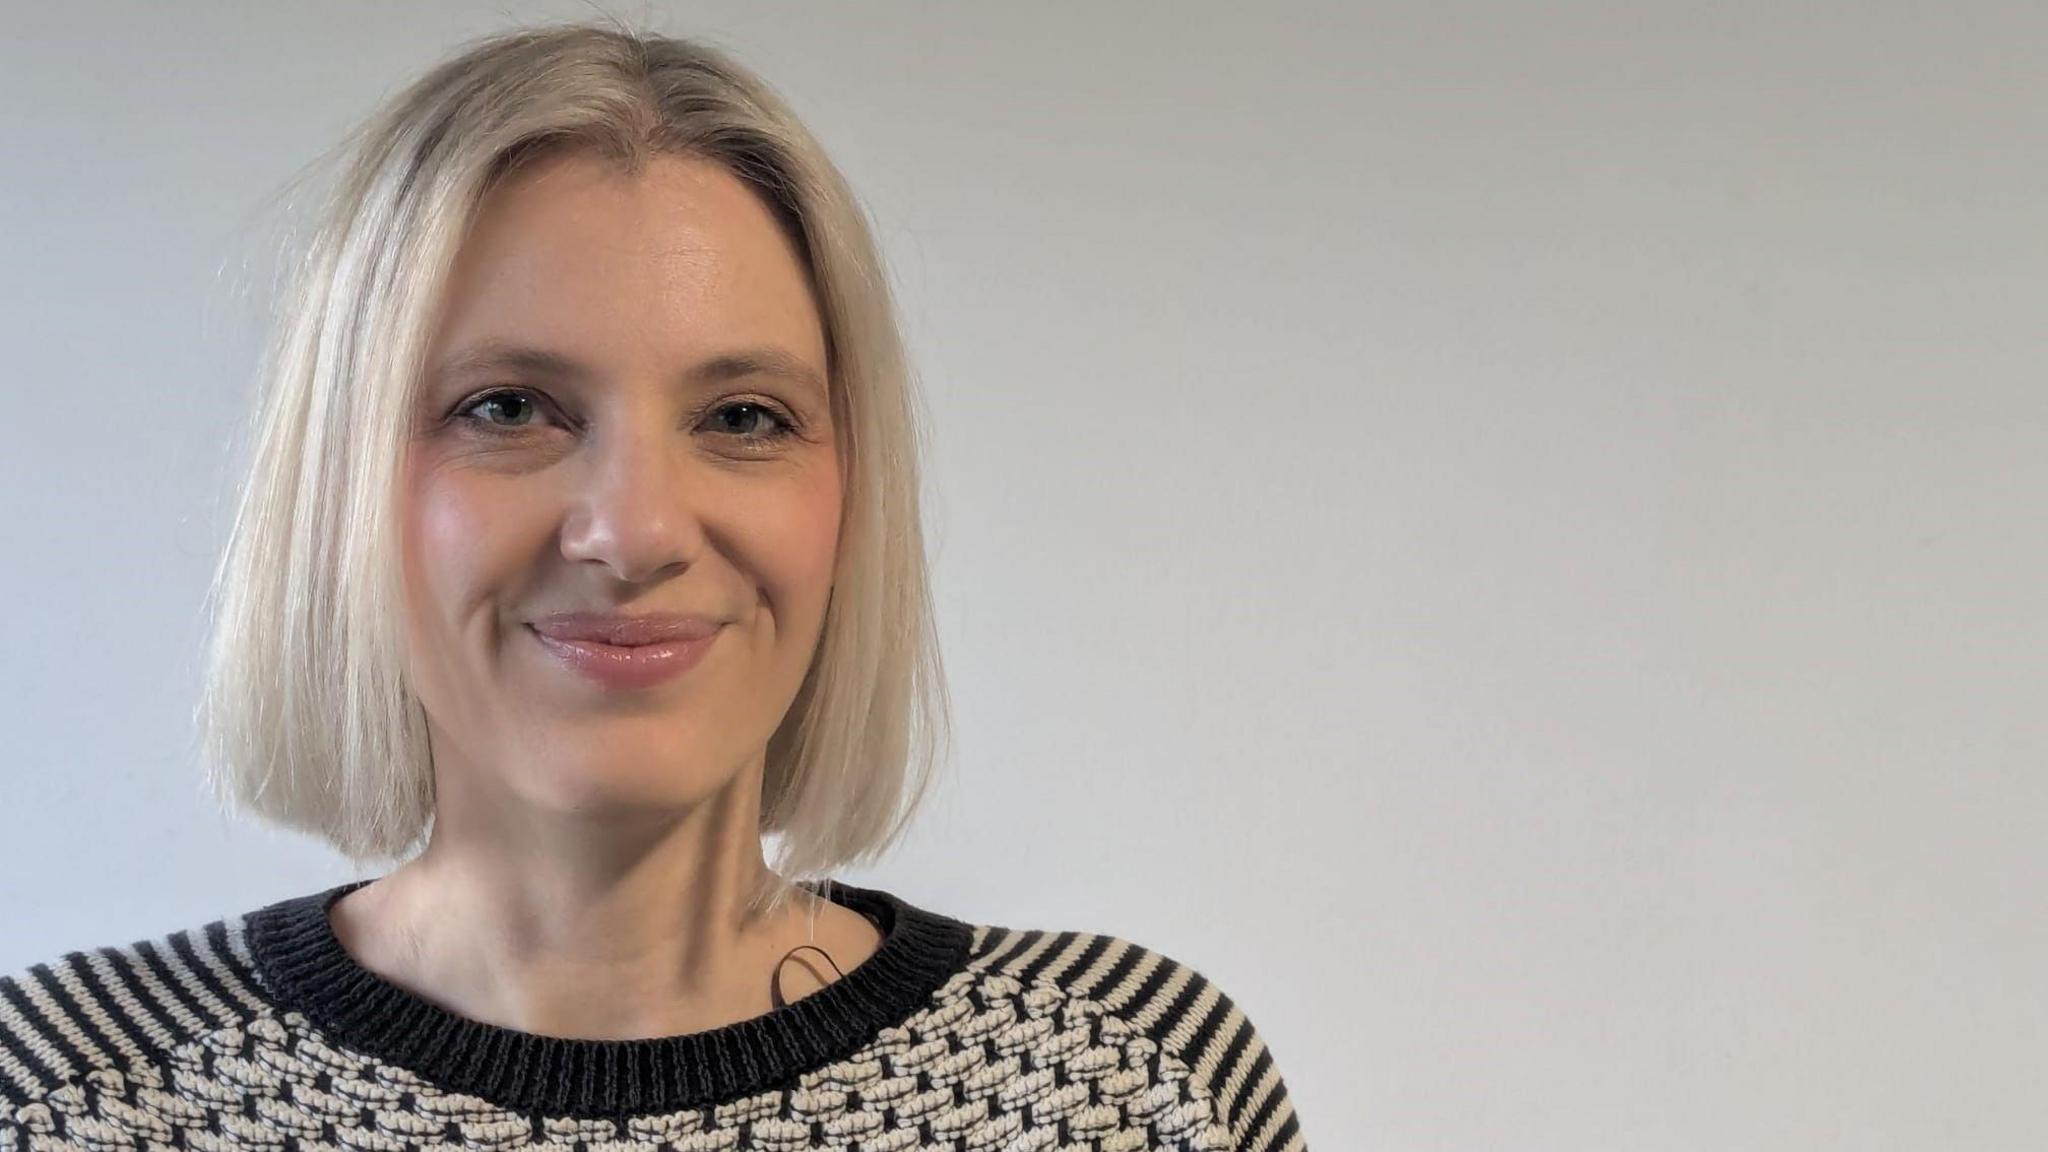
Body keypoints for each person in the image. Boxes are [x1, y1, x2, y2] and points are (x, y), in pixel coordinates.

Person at [0, 20, 1307, 1152]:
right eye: (508, 407)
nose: (633, 532)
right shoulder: (69, 1097)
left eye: (743, 416)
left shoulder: (1126, 1091)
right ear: (337, 487)